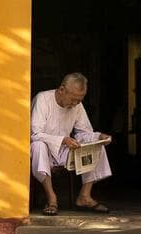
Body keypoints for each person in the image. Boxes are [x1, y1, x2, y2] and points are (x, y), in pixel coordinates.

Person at [30, 73, 112, 214]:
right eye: (73, 99)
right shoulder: (43, 99)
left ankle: (84, 196)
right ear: (62, 90)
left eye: (79, 100)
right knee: (38, 146)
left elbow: (84, 132)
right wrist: (62, 139)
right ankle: (52, 198)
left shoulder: (77, 105)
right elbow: (35, 134)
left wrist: (99, 136)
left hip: (64, 151)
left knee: (96, 144)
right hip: (44, 150)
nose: (75, 104)